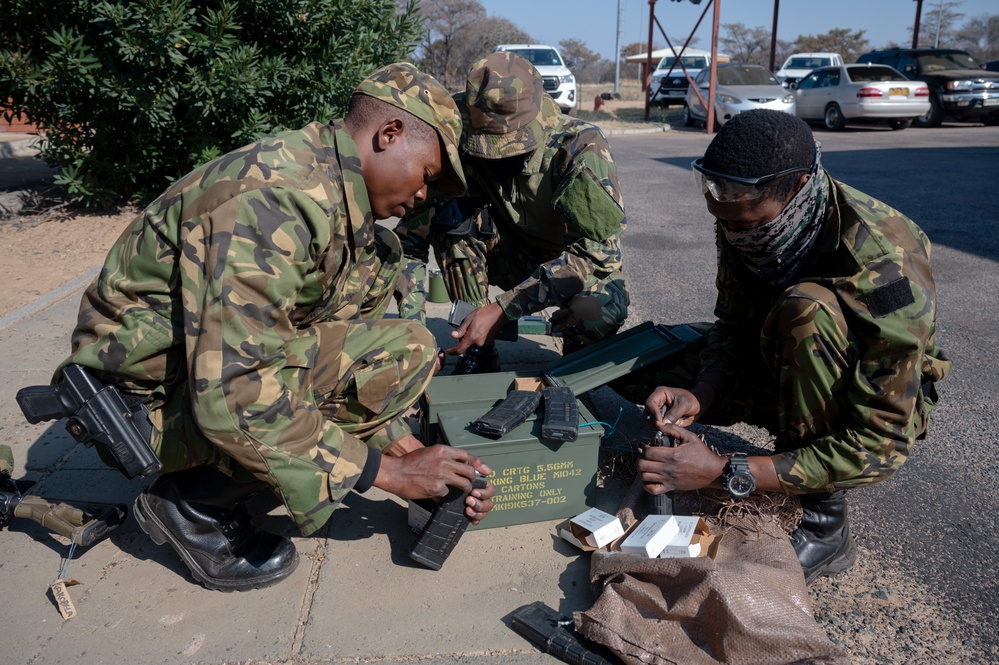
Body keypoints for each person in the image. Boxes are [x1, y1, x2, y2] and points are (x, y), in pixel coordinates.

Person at [55, 63, 496, 592]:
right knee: (371, 362)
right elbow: (234, 393)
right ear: (389, 133)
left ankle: (236, 475)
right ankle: (190, 504)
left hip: (194, 382)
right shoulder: (274, 198)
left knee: (407, 348)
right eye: (427, 175)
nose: (426, 197)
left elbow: (350, 367)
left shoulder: (350, 221)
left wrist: (417, 465)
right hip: (143, 410)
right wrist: (386, 474)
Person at [613, 110, 951, 584]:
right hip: (781, 359)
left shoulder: (883, 260)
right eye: (724, 219)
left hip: (857, 399)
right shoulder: (744, 215)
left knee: (805, 309)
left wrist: (725, 470)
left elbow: (882, 443)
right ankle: (780, 439)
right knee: (631, 370)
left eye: (747, 223)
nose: (733, 232)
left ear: (794, 191)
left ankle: (825, 523)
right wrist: (702, 392)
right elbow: (732, 326)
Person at [394, 51, 630, 375]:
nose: (494, 158)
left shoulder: (576, 148)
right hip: (509, 253)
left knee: (595, 313)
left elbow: (599, 254)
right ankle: (478, 346)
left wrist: (506, 307)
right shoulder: (458, 138)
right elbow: (410, 238)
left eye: (510, 148)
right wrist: (413, 335)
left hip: (568, 264)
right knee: (451, 223)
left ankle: (576, 348)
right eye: (486, 146)